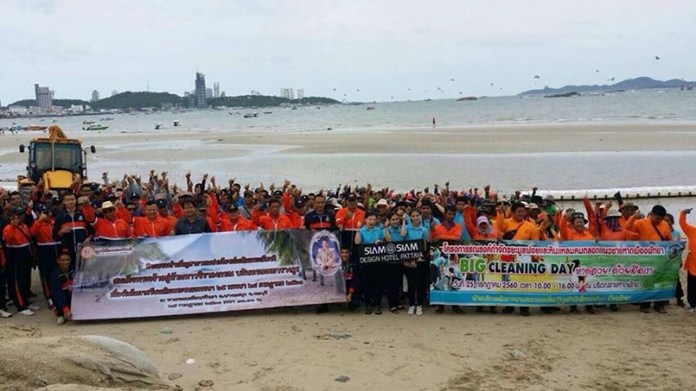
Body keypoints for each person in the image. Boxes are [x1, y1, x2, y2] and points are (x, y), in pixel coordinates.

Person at [625, 204, 673, 313]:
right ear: (651, 214)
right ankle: (645, 305)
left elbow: (669, 239)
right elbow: (626, 228)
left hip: (660, 258)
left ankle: (659, 305)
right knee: (647, 282)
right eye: (657, 218)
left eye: (661, 219)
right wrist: (633, 217)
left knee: (660, 281)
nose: (659, 221)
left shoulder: (665, 224)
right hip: (645, 258)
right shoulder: (641, 223)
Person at [495, 202, 539, 316]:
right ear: (513, 212)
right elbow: (499, 227)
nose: (521, 214)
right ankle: (509, 305)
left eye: (523, 211)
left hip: (524, 259)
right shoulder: (507, 223)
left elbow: (535, 242)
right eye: (518, 212)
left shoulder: (530, 226)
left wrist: (535, 256)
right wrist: (500, 213)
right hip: (508, 258)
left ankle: (524, 307)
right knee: (508, 281)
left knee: (523, 282)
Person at [3, 207, 37, 316]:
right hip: (15, 258)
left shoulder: (24, 226)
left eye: (21, 215)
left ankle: (25, 302)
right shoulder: (8, 228)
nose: (20, 217)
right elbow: (8, 239)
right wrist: (13, 226)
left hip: (25, 257)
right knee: (16, 282)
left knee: (24, 281)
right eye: (18, 215)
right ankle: (20, 306)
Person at [355, 211, 385, 315]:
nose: (372, 221)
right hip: (366, 261)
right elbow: (357, 242)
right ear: (365, 220)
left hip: (377, 260)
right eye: (370, 219)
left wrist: (379, 242)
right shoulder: (362, 230)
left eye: (374, 219)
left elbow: (383, 243)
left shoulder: (379, 231)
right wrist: (358, 230)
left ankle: (377, 304)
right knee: (367, 283)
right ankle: (368, 304)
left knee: (378, 283)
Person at [401, 210, 429, 315]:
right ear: (411, 217)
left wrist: (420, 259)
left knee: (420, 284)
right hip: (408, 260)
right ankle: (412, 304)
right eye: (413, 216)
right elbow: (402, 234)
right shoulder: (407, 228)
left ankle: (420, 305)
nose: (416, 217)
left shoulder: (424, 230)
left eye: (417, 215)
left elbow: (425, 245)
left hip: (419, 260)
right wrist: (404, 221)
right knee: (411, 283)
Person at [52, 192, 89, 269]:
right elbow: (55, 237)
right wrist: (61, 232)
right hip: (67, 252)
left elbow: (91, 230)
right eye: (68, 200)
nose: (70, 202)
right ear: (64, 202)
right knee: (70, 273)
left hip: (83, 251)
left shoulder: (82, 214)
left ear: (76, 200)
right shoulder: (60, 217)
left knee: (83, 271)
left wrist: (88, 239)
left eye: (72, 199)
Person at [384, 212, 405, 313]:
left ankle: (398, 302)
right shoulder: (386, 230)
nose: (395, 221)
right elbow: (389, 240)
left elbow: (403, 236)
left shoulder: (402, 228)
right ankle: (392, 304)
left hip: (400, 260)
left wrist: (404, 222)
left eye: (397, 219)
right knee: (391, 284)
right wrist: (386, 227)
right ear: (389, 221)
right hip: (390, 261)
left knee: (399, 283)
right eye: (393, 219)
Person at [679, 208, 696, 312]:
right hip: (693, 265)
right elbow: (683, 224)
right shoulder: (693, 231)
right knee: (692, 286)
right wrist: (683, 213)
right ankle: (693, 305)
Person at [49, 251, 73, 325]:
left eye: (67, 260)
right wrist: (65, 309)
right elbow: (57, 293)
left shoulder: (73, 270)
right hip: (60, 297)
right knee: (53, 297)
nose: (65, 262)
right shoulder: (54, 275)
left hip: (71, 295)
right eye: (63, 260)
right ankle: (60, 314)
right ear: (58, 261)